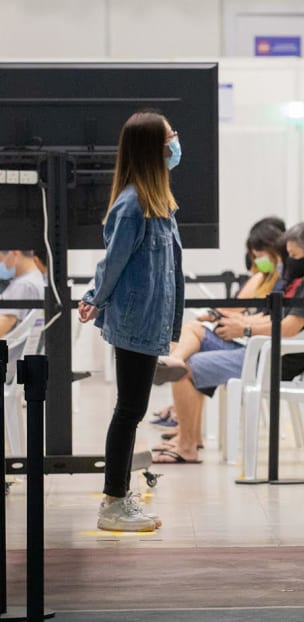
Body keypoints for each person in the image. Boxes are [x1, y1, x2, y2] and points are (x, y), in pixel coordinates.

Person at [78, 110, 184, 532]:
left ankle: (118, 498)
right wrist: (95, 298)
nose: (176, 144)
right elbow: (114, 263)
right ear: (153, 149)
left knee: (132, 409)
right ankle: (114, 502)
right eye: (170, 137)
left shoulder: (159, 203)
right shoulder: (131, 205)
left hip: (150, 321)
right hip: (135, 322)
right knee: (129, 411)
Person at [151, 221, 304, 464]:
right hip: (262, 350)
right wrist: (239, 322)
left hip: (271, 360)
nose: (288, 261)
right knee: (194, 336)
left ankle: (186, 446)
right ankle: (188, 434)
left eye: (293, 255)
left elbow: (289, 328)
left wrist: (245, 328)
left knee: (188, 368)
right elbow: (274, 318)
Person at [0, 250, 45, 338]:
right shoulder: (38, 278)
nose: (2, 263)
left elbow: (4, 322)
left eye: (1, 259)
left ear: (14, 253)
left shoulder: (23, 285)